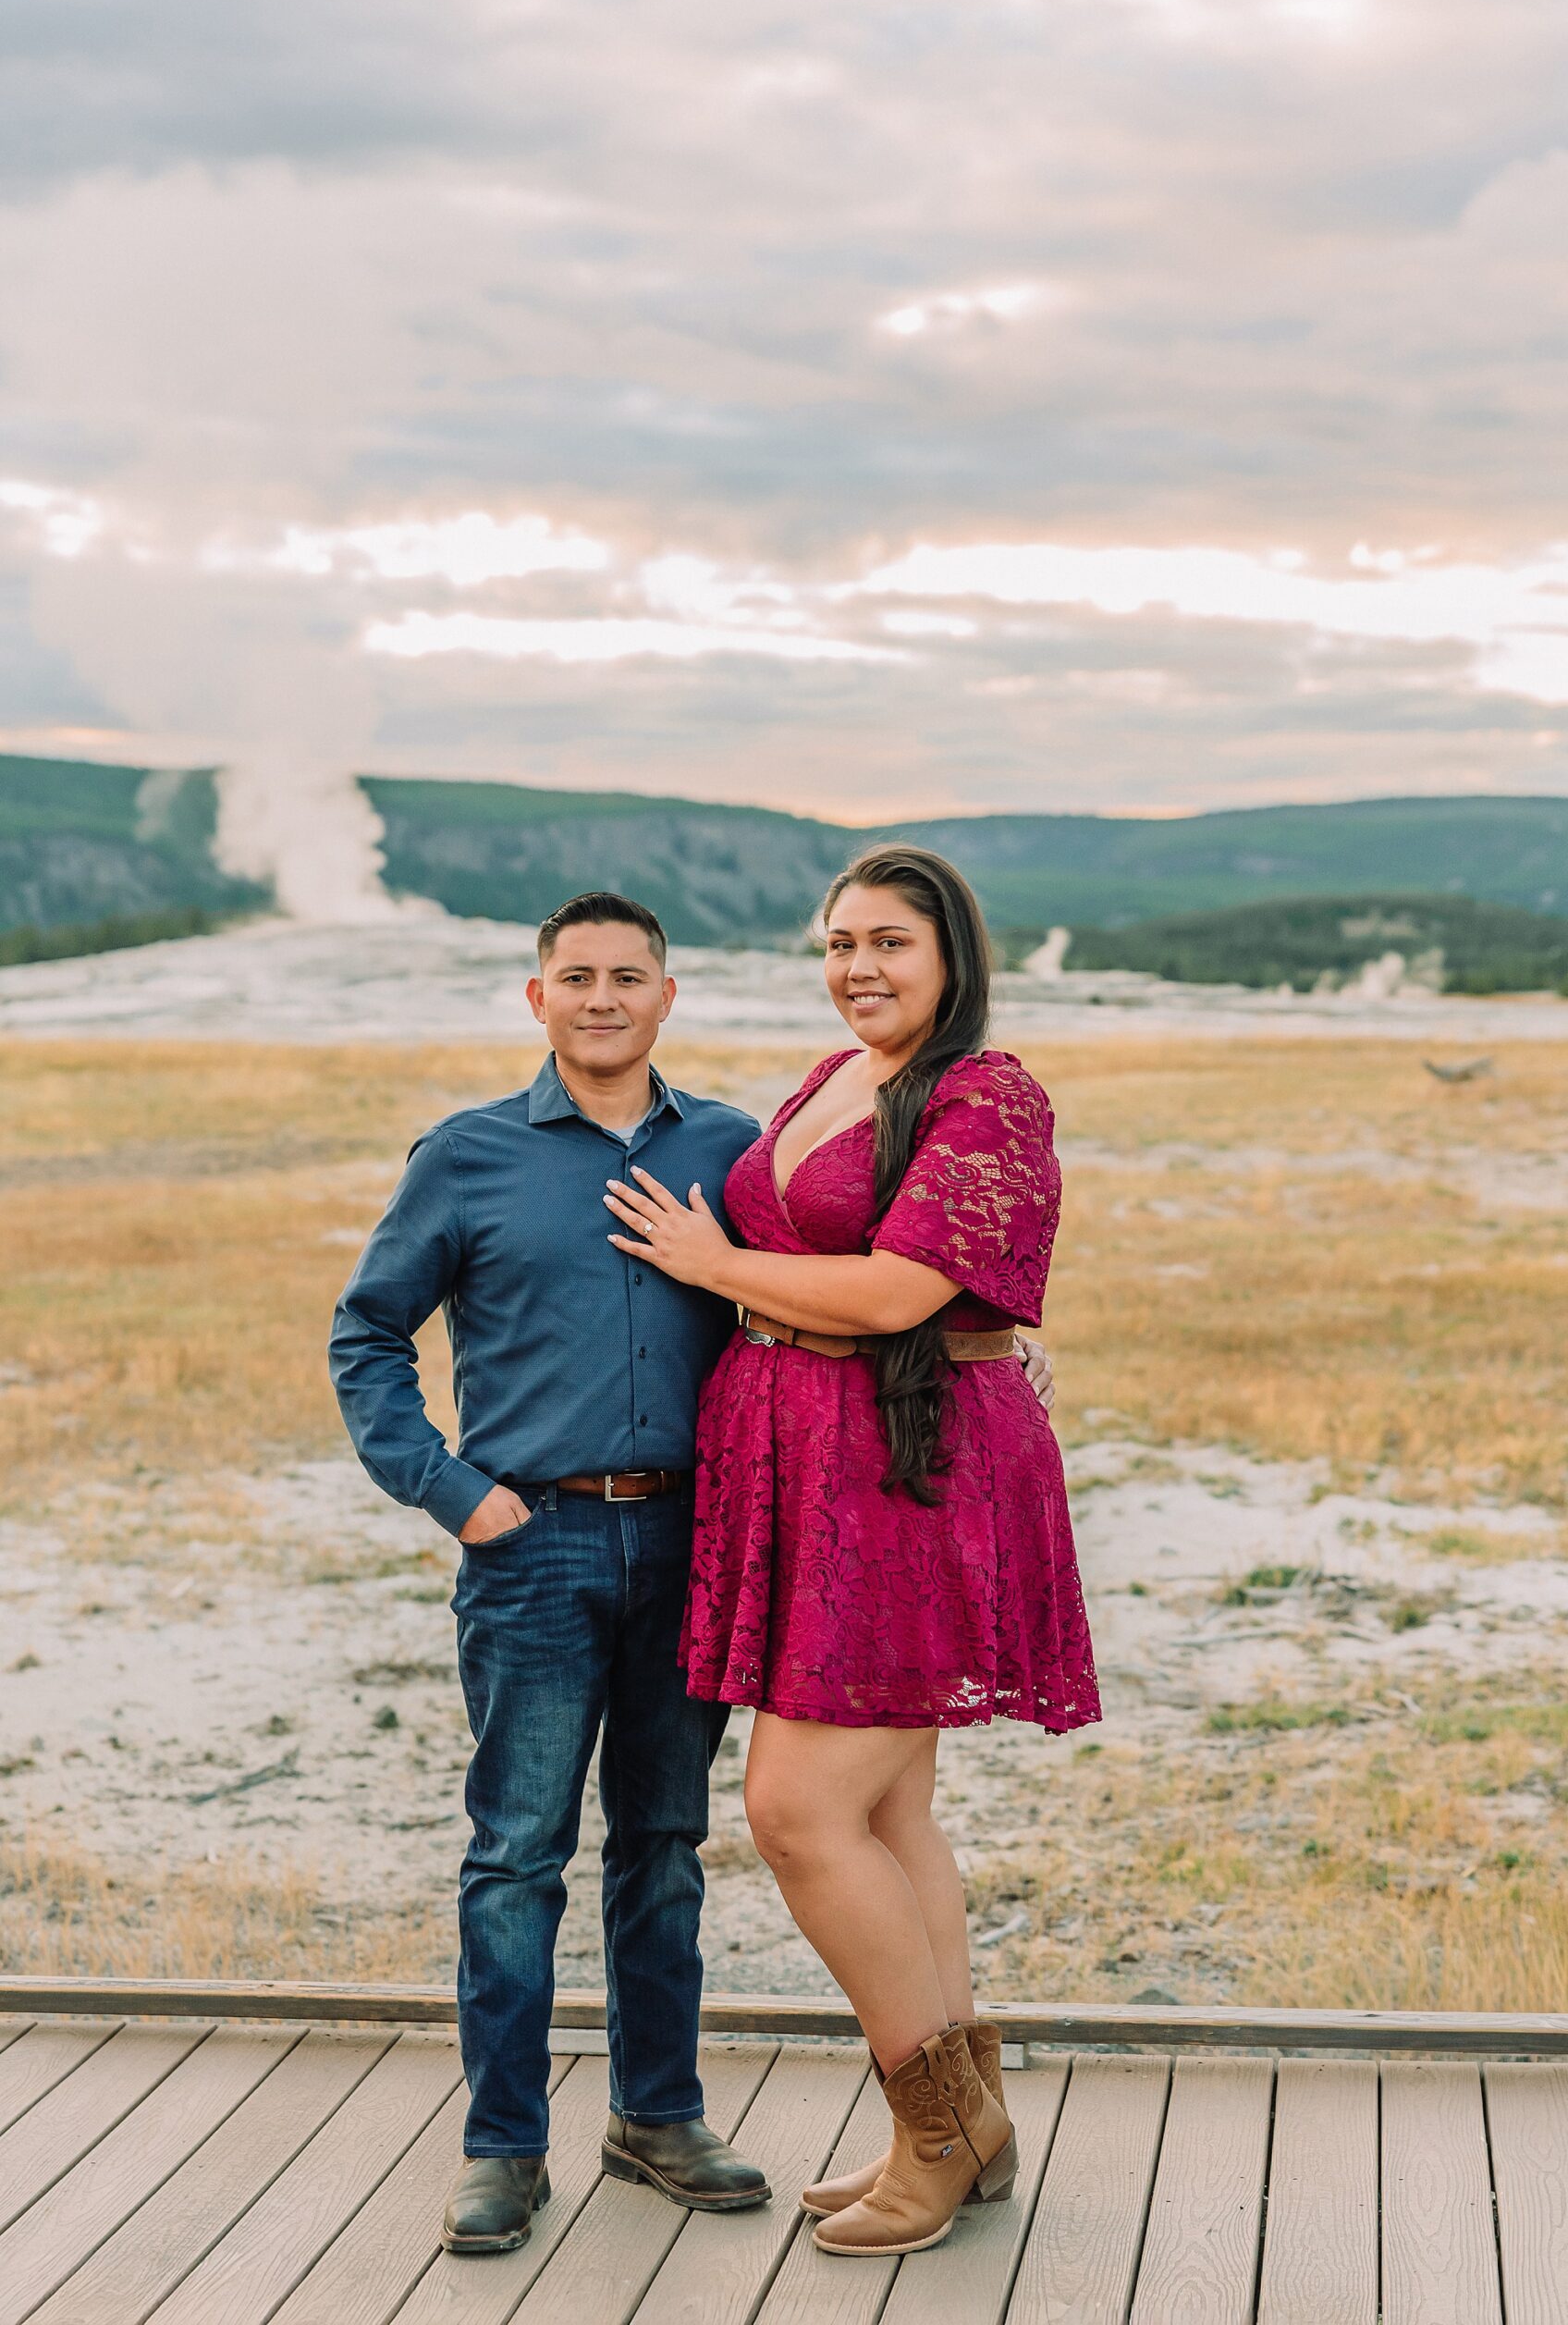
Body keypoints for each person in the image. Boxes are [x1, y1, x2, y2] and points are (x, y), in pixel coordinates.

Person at [328, 883, 1057, 2258]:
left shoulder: (734, 1144)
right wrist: (456, 1494)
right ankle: (504, 2143)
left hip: (702, 1541)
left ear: (672, 998)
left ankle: (660, 2116)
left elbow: (863, 1268)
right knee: (518, 1853)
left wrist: (987, 1350)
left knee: (667, 1848)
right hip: (531, 1543)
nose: (602, 999)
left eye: (630, 977)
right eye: (575, 977)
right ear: (534, 998)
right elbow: (366, 1336)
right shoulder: (468, 1155)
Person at [600, 843, 1099, 2258]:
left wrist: (710, 1269)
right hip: (818, 1463)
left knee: (799, 1814)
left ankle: (929, 2136)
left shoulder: (984, 1093)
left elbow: (900, 1286)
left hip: (905, 1473)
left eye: (890, 942)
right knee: (886, 1816)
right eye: (839, 943)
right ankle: (974, 2122)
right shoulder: (833, 1078)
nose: (861, 969)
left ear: (953, 957)